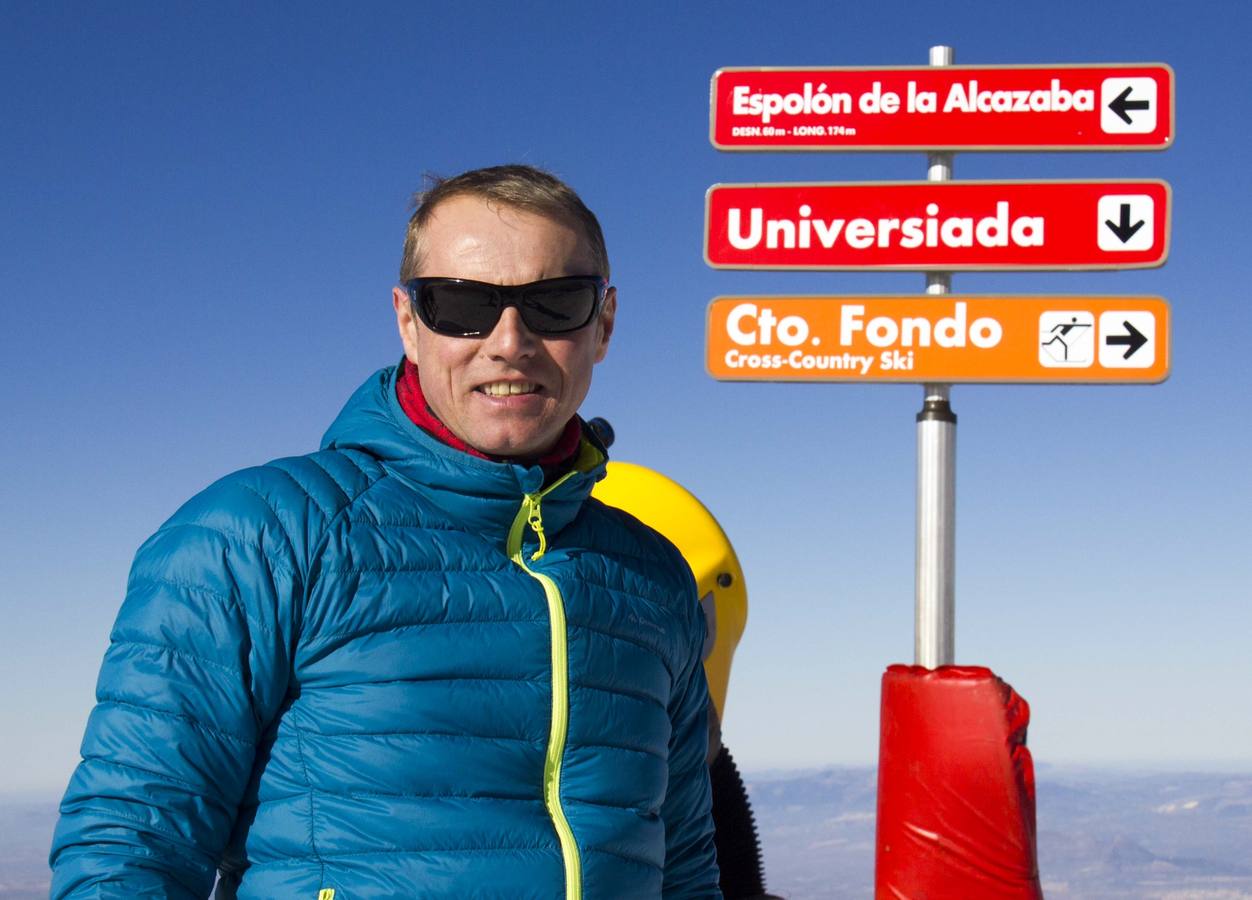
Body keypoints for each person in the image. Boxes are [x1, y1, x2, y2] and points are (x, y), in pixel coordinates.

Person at [50, 164, 721, 898]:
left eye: (555, 303)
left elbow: (686, 864)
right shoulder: (263, 535)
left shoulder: (651, 577)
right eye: (460, 305)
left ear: (605, 322)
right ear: (408, 321)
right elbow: (128, 844)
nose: (509, 341)